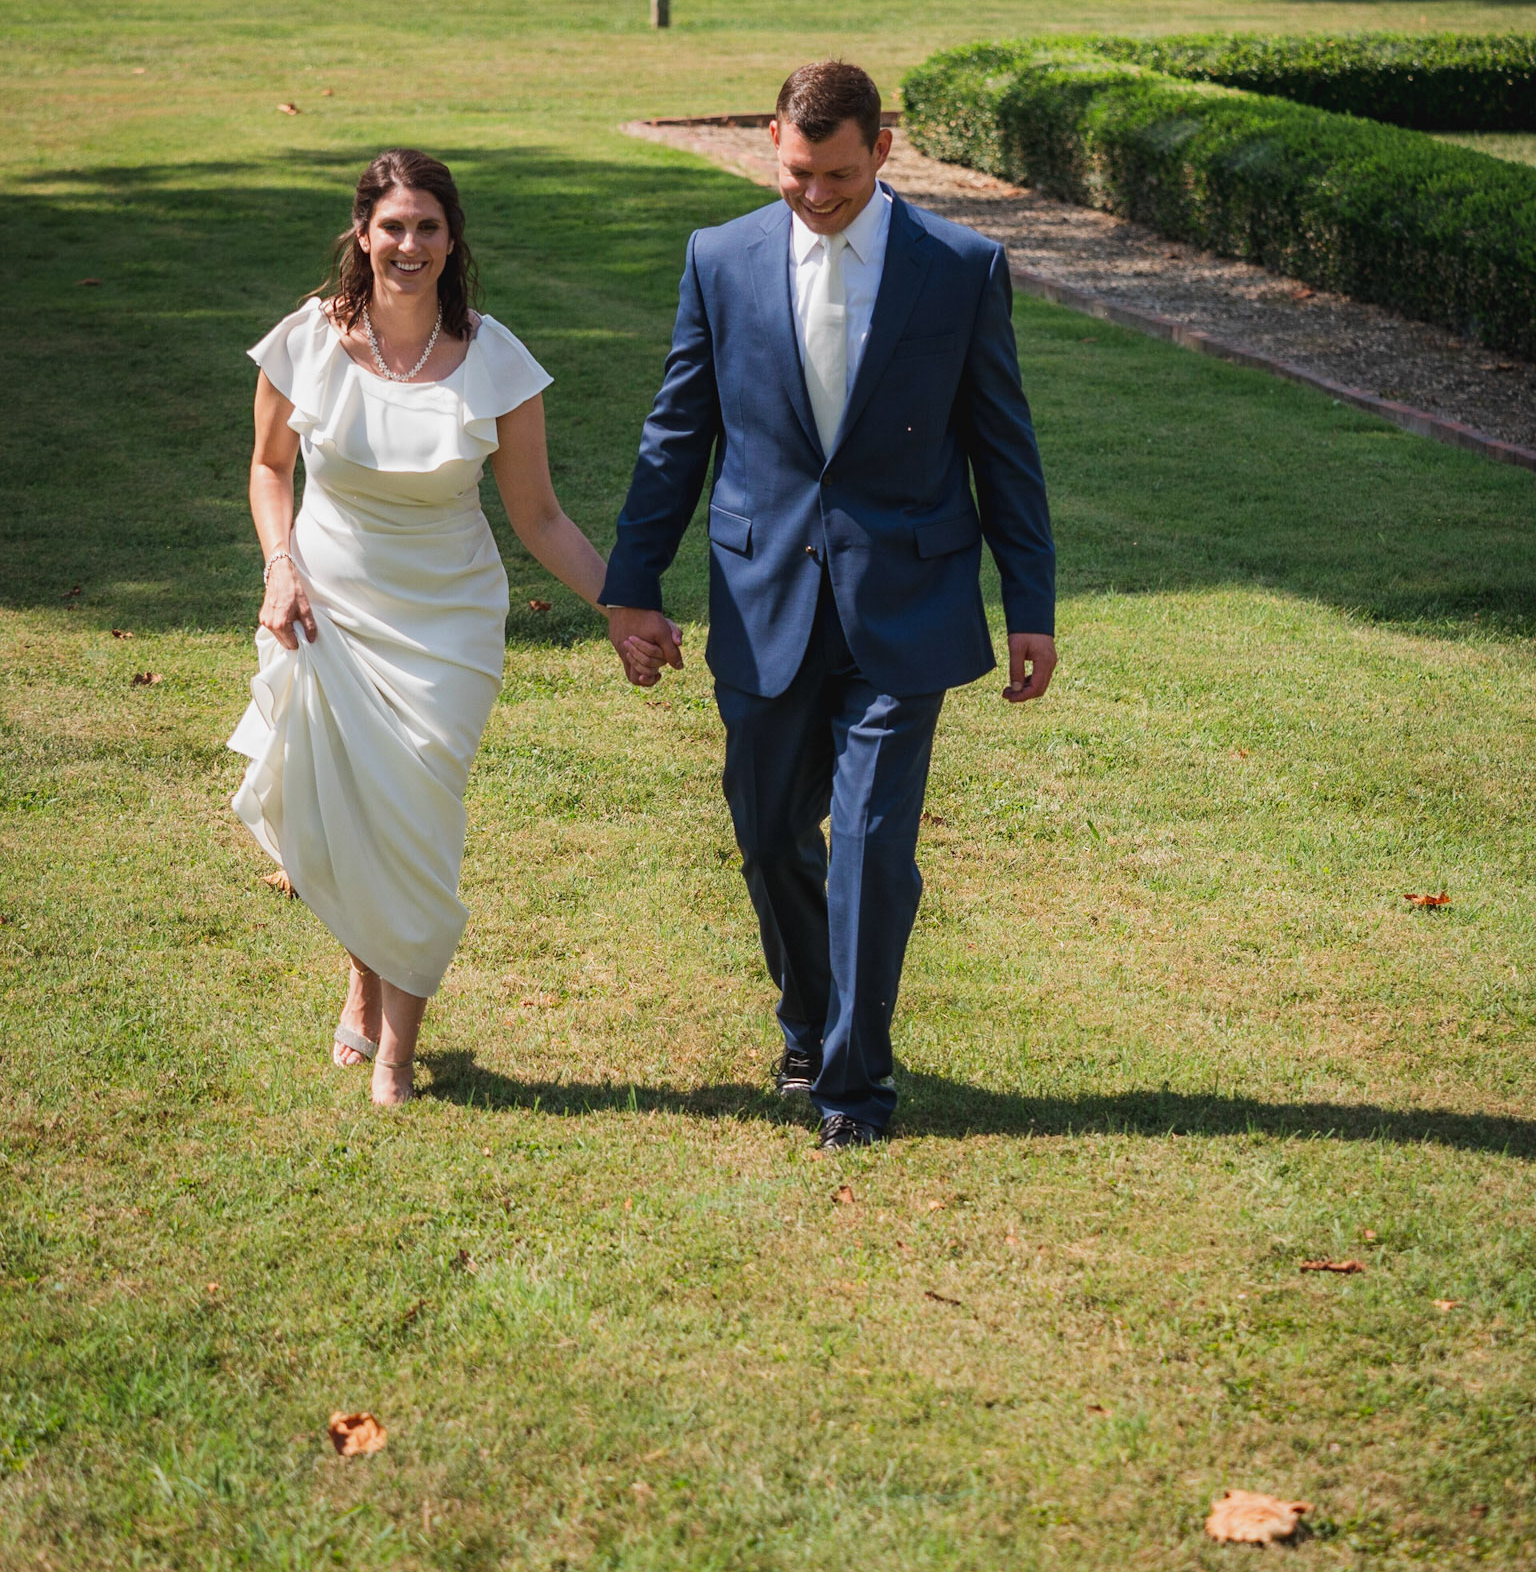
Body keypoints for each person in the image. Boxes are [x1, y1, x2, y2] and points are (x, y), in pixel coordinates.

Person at [603, 61, 1056, 1150]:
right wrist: (632, 584)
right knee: (769, 836)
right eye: (798, 172)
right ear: (773, 143)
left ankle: (855, 1085)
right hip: (764, 596)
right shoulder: (719, 258)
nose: (815, 194)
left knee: (868, 846)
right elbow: (678, 433)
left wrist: (1030, 603)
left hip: (907, 600)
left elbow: (1003, 444)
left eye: (839, 176)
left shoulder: (961, 266)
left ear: (882, 150)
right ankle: (808, 1017)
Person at [228, 149, 610, 1106]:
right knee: (349, 812)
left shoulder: (496, 360)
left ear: (451, 237)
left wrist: (623, 608)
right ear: (363, 234)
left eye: (427, 227)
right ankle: (366, 978)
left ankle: (397, 1051)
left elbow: (541, 518)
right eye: (392, 226)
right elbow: (270, 468)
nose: (409, 245)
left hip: (448, 624)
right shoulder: (308, 340)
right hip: (328, 607)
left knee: (417, 821)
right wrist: (280, 569)